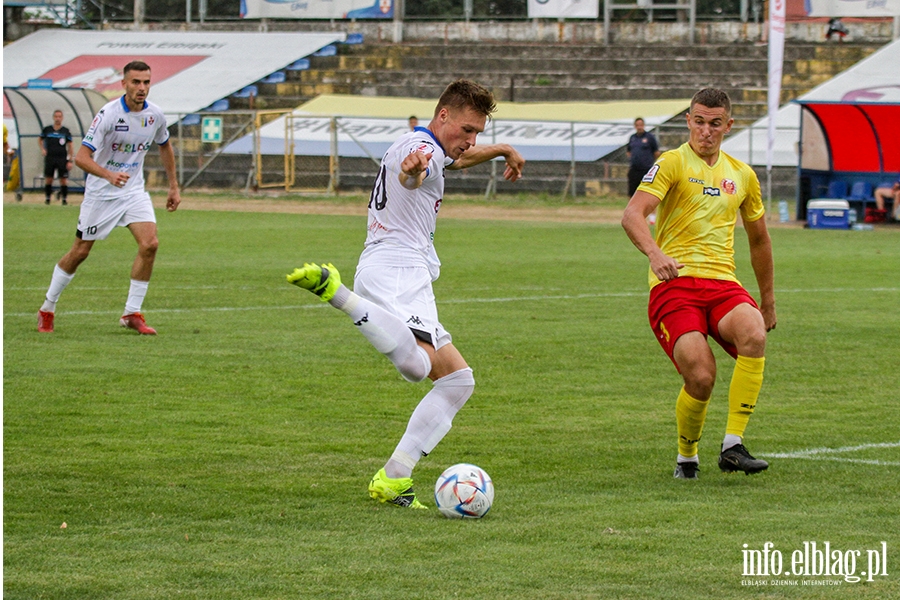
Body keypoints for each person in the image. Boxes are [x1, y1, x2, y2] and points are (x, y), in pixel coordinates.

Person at [287, 79, 525, 509]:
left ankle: (394, 477)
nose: (470, 141)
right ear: (444, 116)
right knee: (418, 368)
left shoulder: (430, 143)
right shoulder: (422, 151)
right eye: (467, 130)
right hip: (396, 270)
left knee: (457, 382)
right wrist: (411, 172)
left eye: (478, 133)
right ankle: (334, 291)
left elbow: (453, 158)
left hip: (400, 269)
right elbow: (417, 170)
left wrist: (502, 149)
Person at [621, 88, 776, 480]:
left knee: (754, 333)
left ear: (728, 125)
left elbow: (759, 239)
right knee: (701, 376)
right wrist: (656, 255)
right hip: (674, 286)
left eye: (715, 123)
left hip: (723, 283)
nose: (706, 131)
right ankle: (686, 456)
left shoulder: (742, 174)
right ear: (689, 121)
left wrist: (768, 301)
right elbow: (633, 215)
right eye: (699, 121)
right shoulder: (672, 162)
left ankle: (732, 445)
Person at [37, 60, 181, 335]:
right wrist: (108, 175)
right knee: (80, 252)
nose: (142, 88)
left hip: (133, 191)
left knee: (150, 244)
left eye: (146, 82)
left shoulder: (155, 115)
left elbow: (165, 146)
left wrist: (173, 186)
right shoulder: (109, 114)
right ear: (123, 84)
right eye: (136, 82)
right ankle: (47, 307)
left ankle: (131, 313)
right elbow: (81, 158)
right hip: (102, 194)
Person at [39, 109, 74, 205]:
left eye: (59, 117)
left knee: (63, 179)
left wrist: (70, 159)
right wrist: (43, 149)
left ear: (62, 118)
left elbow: (70, 145)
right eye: (56, 116)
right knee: (49, 178)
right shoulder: (47, 129)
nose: (57, 118)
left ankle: (64, 199)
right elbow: (40, 139)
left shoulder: (65, 131)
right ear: (53, 117)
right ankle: (47, 198)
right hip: (50, 157)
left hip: (62, 158)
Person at [626, 117, 660, 198]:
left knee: (648, 192)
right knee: (632, 192)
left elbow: (656, 152)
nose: (639, 127)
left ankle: (651, 211)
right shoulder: (632, 138)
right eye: (637, 125)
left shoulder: (649, 137)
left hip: (646, 169)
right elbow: (628, 151)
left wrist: (649, 161)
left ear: (644, 125)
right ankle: (632, 210)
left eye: (641, 125)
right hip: (634, 169)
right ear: (635, 126)